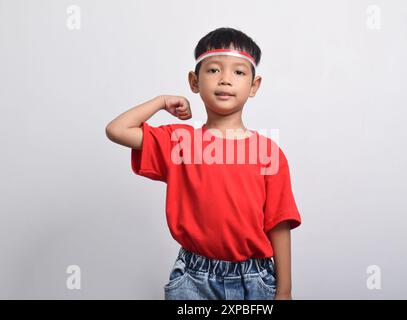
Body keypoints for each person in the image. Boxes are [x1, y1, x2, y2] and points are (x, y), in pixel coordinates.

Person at [105, 27, 301, 300]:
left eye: (239, 72)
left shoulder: (268, 152)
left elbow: (279, 225)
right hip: (193, 278)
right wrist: (161, 102)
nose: (225, 80)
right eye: (213, 70)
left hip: (255, 279)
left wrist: (285, 290)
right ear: (194, 82)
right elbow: (117, 129)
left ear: (254, 86)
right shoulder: (178, 143)